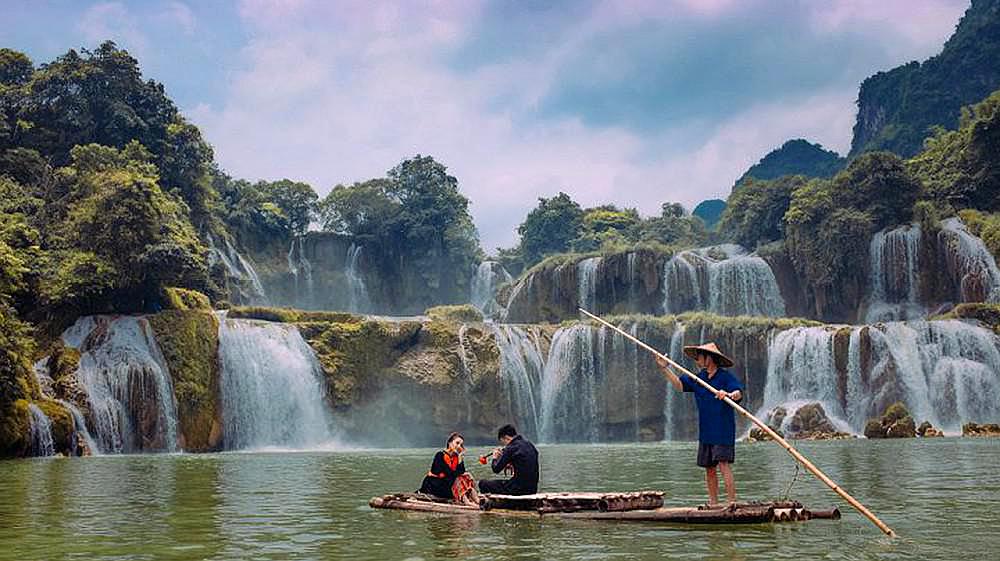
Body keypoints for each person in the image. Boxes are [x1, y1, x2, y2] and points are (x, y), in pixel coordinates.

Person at [656, 342, 744, 507]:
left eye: (699, 357)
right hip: (706, 431)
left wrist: (729, 394)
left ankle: (732, 502)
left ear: (709, 358)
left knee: (723, 465)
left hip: (722, 430)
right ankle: (713, 502)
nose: (697, 360)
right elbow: (679, 385)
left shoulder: (725, 377)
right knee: (709, 468)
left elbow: (738, 393)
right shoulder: (699, 378)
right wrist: (664, 368)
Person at [418, 432, 480, 506]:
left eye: (461, 445)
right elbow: (449, 474)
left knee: (466, 476)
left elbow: (461, 472)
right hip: (435, 486)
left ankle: (478, 501)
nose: (459, 446)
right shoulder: (440, 455)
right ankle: (467, 502)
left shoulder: (457, 457)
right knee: (459, 478)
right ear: (449, 443)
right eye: (457, 443)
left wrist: (460, 458)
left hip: (448, 485)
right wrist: (460, 472)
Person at [478, 424, 539, 495]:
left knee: (483, 483)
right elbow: (525, 462)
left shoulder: (510, 448)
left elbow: (496, 469)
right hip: (533, 489)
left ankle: (487, 502)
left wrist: (495, 458)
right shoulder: (529, 444)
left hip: (518, 489)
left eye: (503, 442)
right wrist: (512, 464)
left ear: (506, 437)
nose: (505, 445)